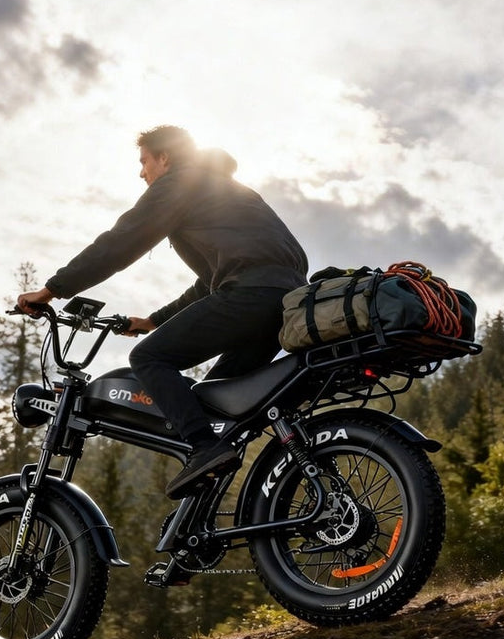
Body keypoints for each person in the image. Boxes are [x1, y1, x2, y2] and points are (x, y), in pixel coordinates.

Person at [18, 125, 308, 498]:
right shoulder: (230, 193)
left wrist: (52, 290)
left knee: (150, 357)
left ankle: (206, 450)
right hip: (284, 306)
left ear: (164, 158)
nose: (142, 173)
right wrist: (153, 320)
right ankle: (204, 515)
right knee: (213, 403)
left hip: (252, 294)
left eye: (144, 162)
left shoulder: (179, 184)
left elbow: (121, 242)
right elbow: (209, 282)